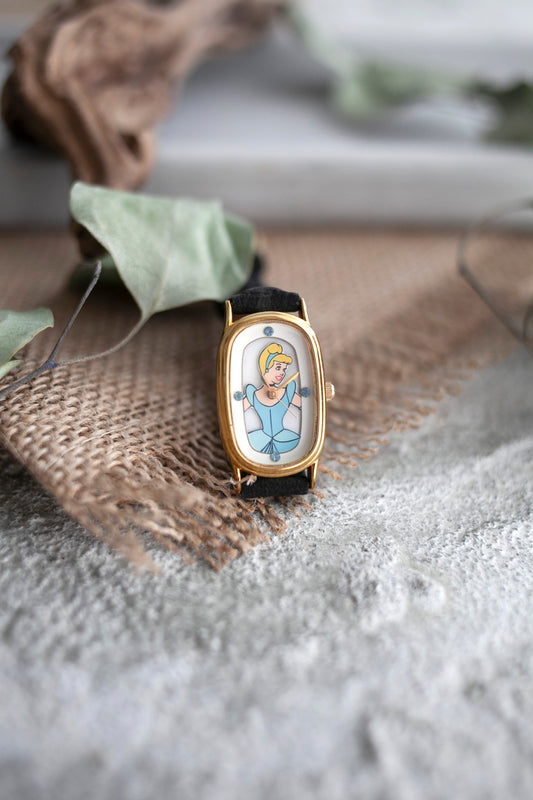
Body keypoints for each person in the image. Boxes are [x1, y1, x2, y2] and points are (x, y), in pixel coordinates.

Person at [243, 342, 301, 461]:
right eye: (278, 368)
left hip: (284, 439)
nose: (282, 373)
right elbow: (235, 414)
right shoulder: (253, 395)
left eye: (284, 369)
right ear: (265, 368)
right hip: (260, 441)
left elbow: (308, 408)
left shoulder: (287, 393)